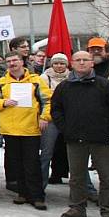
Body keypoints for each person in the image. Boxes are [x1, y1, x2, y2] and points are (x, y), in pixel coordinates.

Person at [51, 51, 109, 217]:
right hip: (75, 138)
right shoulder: (64, 87)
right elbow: (56, 109)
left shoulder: (105, 85)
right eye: (78, 60)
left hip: (101, 139)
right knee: (77, 176)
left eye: (86, 60)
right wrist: (66, 128)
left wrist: (108, 131)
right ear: (72, 63)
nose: (82, 63)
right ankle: (77, 207)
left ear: (92, 63)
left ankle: (108, 209)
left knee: (107, 176)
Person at [0, 52, 52, 210]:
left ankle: (37, 196)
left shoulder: (36, 81)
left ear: (22, 61)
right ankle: (22, 193)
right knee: (16, 164)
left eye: (15, 60)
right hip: (10, 130)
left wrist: (45, 117)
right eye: (9, 61)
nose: (12, 63)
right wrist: (4, 102)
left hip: (30, 129)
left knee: (32, 163)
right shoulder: (2, 82)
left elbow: (47, 101)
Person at [39, 53, 70, 187]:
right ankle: (40, 185)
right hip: (50, 119)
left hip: (69, 119)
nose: (59, 66)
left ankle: (86, 189)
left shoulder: (72, 77)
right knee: (46, 153)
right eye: (56, 63)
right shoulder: (44, 77)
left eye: (62, 63)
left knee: (74, 154)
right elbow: (43, 99)